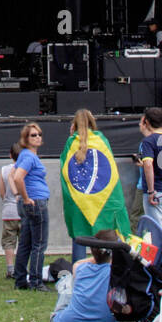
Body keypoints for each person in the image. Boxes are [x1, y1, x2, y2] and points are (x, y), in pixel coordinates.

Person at [61, 109, 130, 263]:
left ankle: (79, 275)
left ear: (73, 125)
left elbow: (65, 172)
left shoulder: (71, 143)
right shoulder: (102, 141)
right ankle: (112, 270)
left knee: (80, 236)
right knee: (108, 238)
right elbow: (111, 172)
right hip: (104, 200)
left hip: (80, 201)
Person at [51, 228, 119, 322]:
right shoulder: (118, 274)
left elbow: (76, 264)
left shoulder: (81, 269)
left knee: (67, 284)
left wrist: (97, 257)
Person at [12, 121, 50, 291]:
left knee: (26, 243)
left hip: (31, 201)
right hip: (36, 202)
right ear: (25, 138)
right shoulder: (28, 156)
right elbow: (17, 177)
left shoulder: (25, 156)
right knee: (39, 243)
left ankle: (20, 279)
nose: (37, 137)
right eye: (33, 135)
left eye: (39, 134)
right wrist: (25, 197)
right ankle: (35, 281)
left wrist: (20, 196)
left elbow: (14, 174)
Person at [138, 107, 162, 232]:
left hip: (156, 190)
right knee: (161, 228)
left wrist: (151, 190)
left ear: (147, 122)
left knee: (157, 232)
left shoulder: (148, 141)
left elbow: (148, 164)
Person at [0, 142, 22, 279]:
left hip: (9, 211)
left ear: (10, 155)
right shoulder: (27, 168)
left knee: (9, 241)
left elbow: (2, 192)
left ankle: (10, 268)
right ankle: (22, 267)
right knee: (24, 241)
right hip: (24, 210)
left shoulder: (4, 170)